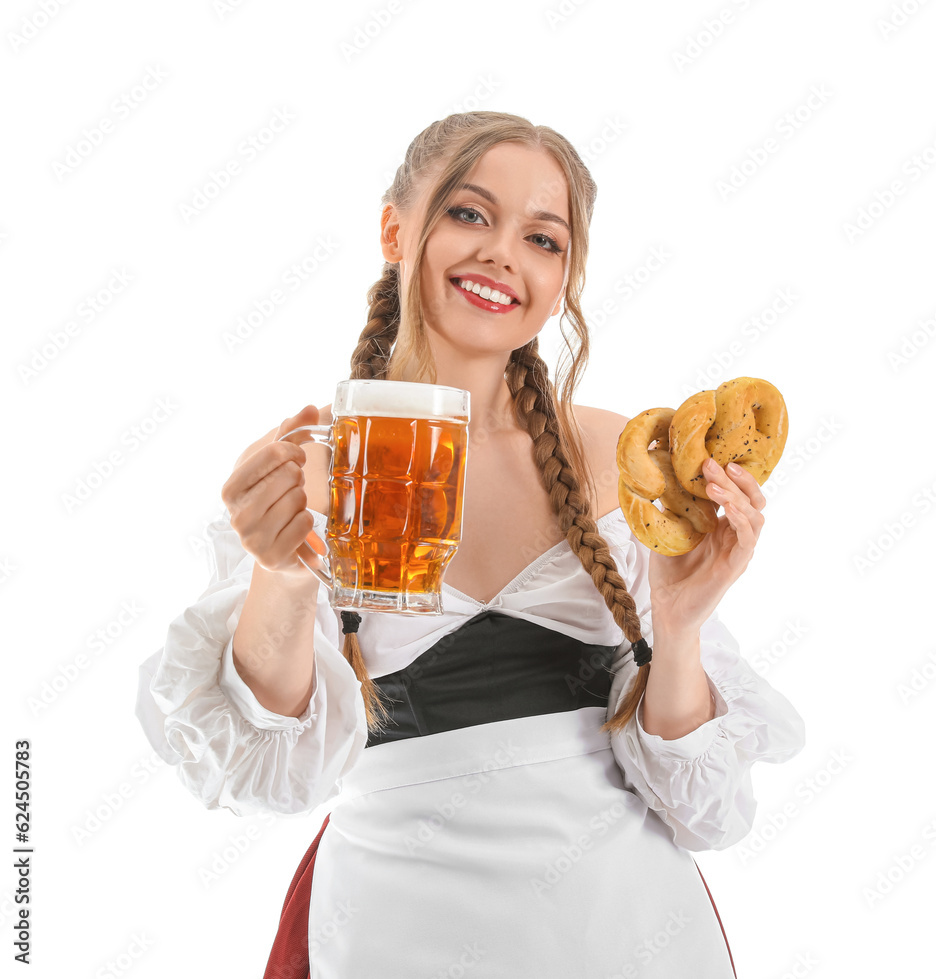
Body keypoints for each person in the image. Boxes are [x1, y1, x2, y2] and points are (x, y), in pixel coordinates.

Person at [135, 110, 806, 977]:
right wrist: (282, 570)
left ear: (563, 280)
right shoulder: (314, 465)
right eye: (469, 214)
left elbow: (701, 809)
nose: (502, 255)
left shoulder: (614, 458)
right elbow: (271, 771)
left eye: (542, 237)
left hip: (628, 931)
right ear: (395, 229)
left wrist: (678, 628)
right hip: (396, 936)